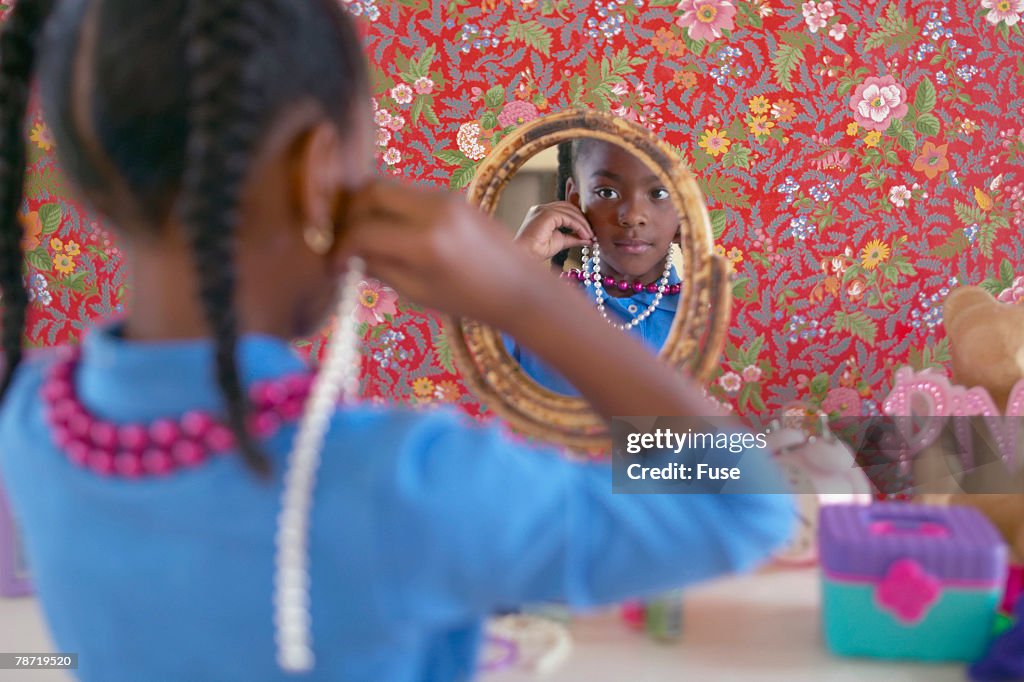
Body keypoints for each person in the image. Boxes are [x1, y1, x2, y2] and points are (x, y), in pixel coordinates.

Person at [0, 1, 793, 681]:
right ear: (319, 171)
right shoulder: (402, 485)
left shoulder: (34, 418)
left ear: (89, 176)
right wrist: (523, 296)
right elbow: (743, 506)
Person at [505, 139, 682, 395]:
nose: (632, 216)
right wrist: (517, 259)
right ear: (575, 200)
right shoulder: (531, 308)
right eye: (607, 192)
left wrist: (707, 265)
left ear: (687, 206)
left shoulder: (711, 313)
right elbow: (453, 381)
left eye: (659, 193)